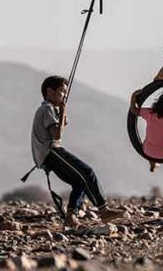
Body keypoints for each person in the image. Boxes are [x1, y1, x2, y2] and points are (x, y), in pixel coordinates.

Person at [31, 75, 124, 226]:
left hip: (50, 154)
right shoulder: (47, 108)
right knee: (88, 172)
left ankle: (71, 217)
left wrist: (61, 112)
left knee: (79, 182)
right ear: (49, 92)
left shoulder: (49, 109)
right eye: (62, 91)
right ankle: (103, 210)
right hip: (52, 152)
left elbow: (60, 126)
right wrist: (61, 113)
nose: (64, 95)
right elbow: (57, 134)